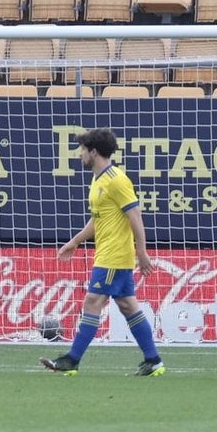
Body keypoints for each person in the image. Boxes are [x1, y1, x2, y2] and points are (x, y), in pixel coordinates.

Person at [41, 128, 165, 377]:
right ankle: (153, 361)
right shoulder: (98, 180)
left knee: (93, 302)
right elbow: (98, 220)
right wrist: (75, 241)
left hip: (114, 256)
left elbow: (135, 216)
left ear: (93, 152)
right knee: (128, 306)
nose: (80, 156)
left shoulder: (117, 180)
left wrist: (142, 253)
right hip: (109, 254)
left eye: (83, 150)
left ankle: (72, 359)